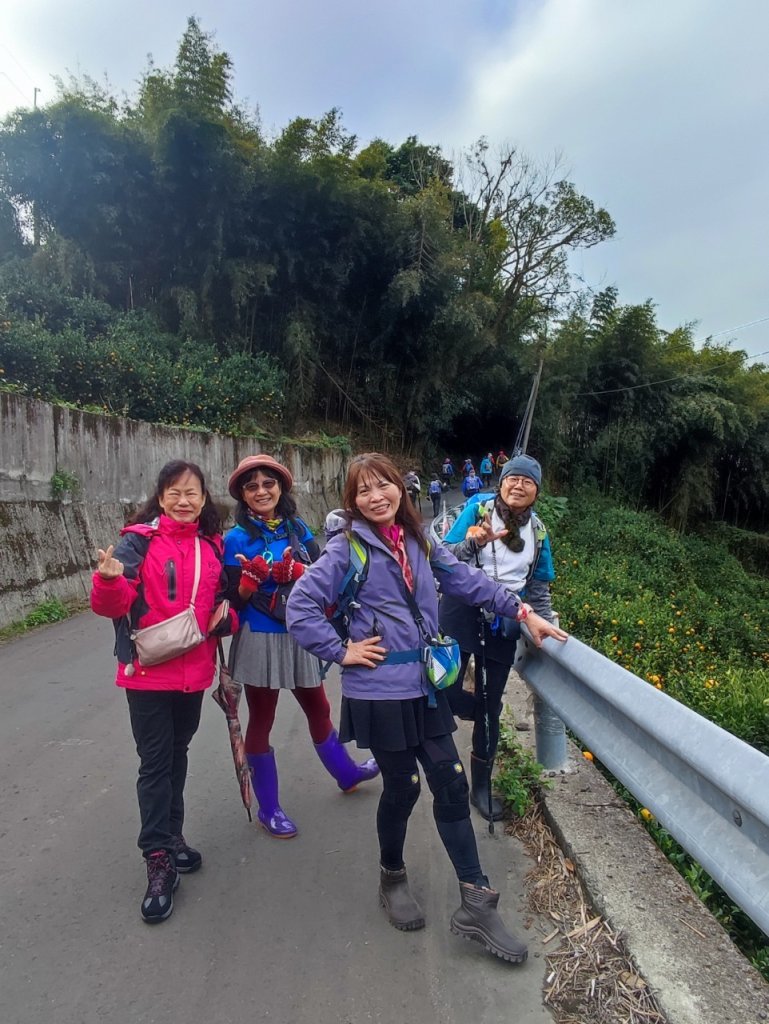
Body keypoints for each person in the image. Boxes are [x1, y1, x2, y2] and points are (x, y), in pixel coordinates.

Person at [286, 452, 566, 963]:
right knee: (403, 787)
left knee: (452, 783)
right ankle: (392, 876)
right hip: (379, 692)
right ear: (352, 500)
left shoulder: (420, 538)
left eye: (384, 485)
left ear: (401, 488)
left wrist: (524, 611)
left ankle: (476, 902)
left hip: (426, 687)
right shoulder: (345, 548)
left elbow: (467, 581)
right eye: (364, 490)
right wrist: (341, 650)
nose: (376, 496)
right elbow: (299, 607)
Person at [90, 460, 237, 923]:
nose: (184, 500)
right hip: (148, 674)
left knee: (178, 753)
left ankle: (173, 837)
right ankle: (157, 858)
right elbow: (113, 606)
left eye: (192, 492)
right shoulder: (138, 541)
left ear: (204, 499)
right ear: (160, 496)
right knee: (155, 763)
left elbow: (222, 605)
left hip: (194, 673)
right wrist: (109, 580)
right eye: (174, 492)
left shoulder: (211, 545)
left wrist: (226, 619)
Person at [224, 454, 379, 839]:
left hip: (301, 633)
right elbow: (231, 601)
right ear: (242, 496)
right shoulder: (235, 539)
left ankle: (346, 773)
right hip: (259, 636)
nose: (262, 491)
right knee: (263, 718)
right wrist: (249, 582)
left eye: (268, 483)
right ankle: (270, 809)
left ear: (281, 488)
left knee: (318, 705)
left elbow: (326, 577)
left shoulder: (297, 528)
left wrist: (299, 571)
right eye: (252, 486)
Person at [439, 454, 557, 821]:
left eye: (527, 481)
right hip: (461, 606)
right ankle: (448, 757)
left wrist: (546, 621)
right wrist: (475, 541)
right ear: (501, 482)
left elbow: (537, 586)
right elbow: (444, 557)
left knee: (490, 708)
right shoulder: (478, 508)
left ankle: (481, 788)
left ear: (536, 490)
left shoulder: (537, 530)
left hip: (504, 617)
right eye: (513, 479)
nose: (518, 485)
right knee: (445, 687)